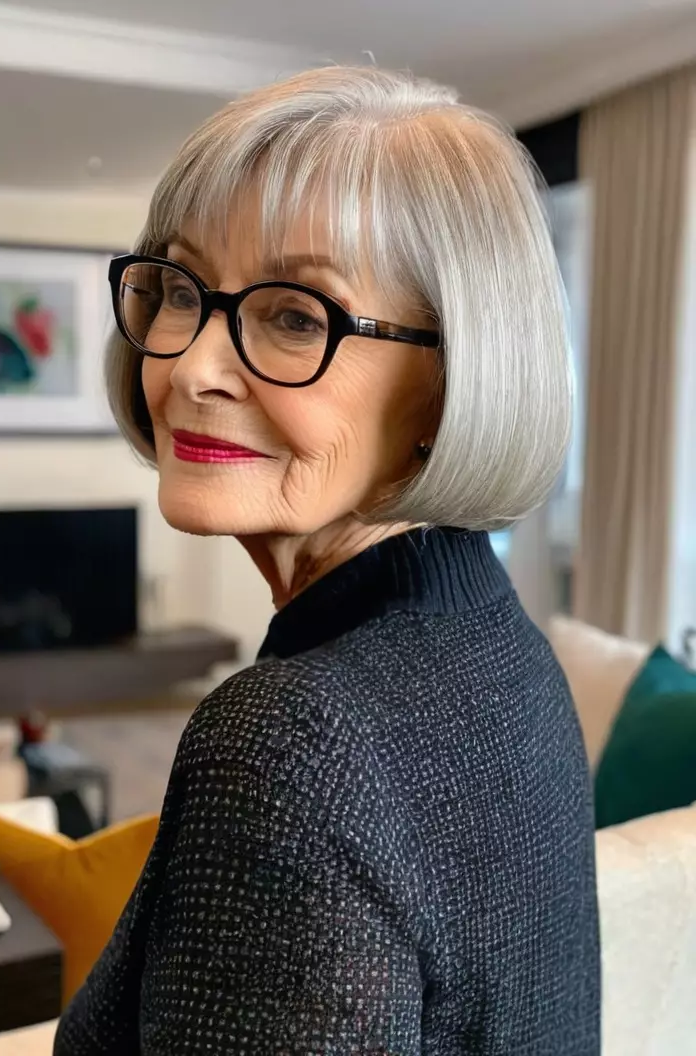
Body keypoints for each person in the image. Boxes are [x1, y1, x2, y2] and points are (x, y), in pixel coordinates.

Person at [54, 66, 600, 1055]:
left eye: (296, 316)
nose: (189, 367)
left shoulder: (286, 739)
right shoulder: (498, 644)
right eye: (181, 289)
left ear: (449, 383)